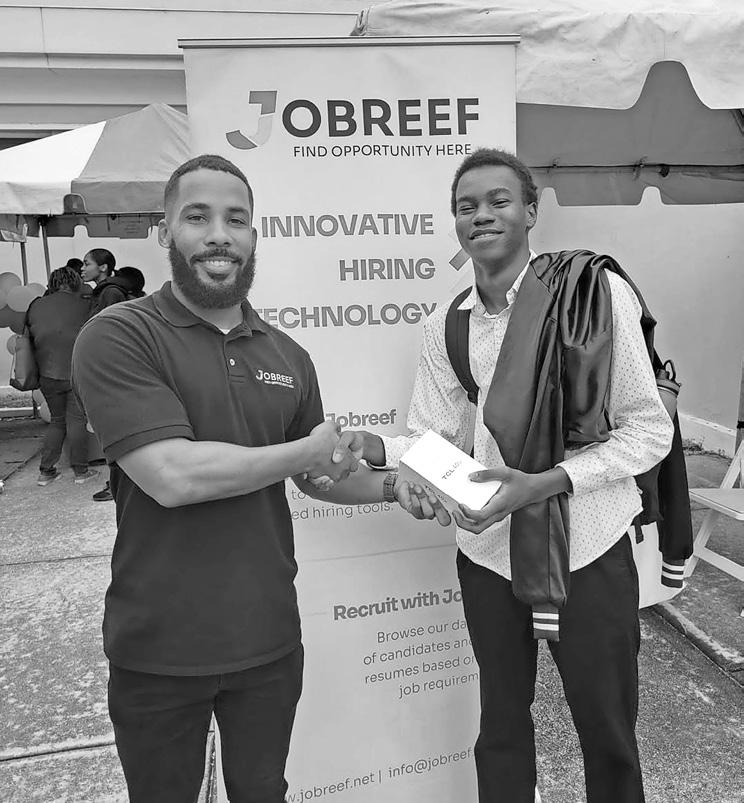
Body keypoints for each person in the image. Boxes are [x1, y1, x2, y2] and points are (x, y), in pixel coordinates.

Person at [303, 148, 675, 803]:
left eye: (499, 201)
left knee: (608, 731)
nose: (481, 215)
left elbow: (648, 429)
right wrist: (374, 446)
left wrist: (545, 483)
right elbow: (433, 439)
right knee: (500, 724)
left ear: (530, 211)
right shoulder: (445, 326)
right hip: (491, 554)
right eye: (466, 206)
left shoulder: (592, 296)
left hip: (588, 546)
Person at [71, 154, 361, 803]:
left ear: (254, 235)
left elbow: (320, 475)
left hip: (267, 639)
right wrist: (304, 452)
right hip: (159, 648)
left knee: (264, 791)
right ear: (165, 231)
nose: (218, 235)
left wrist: (402, 486)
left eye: (235, 219)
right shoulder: (120, 334)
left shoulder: (288, 355)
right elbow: (171, 474)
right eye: (197, 217)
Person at [27, 266, 98, 486]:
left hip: (46, 373)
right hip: (75, 371)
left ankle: (46, 471)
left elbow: (29, 334)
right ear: (75, 282)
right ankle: (81, 472)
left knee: (57, 421)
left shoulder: (36, 305)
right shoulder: (85, 304)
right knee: (76, 421)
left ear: (52, 284)